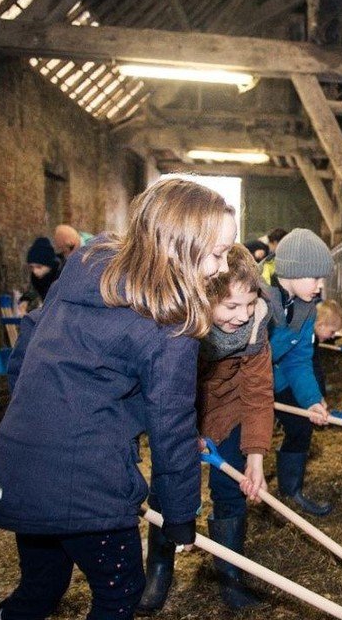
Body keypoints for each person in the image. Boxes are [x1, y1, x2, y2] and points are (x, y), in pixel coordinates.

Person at [0, 178, 238, 620]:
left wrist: (40, 414)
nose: (220, 268)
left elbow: (27, 344)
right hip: (85, 484)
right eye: (216, 254)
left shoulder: (88, 264)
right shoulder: (170, 324)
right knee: (121, 592)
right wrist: (179, 515)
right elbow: (171, 425)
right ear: (181, 247)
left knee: (42, 585)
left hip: (19, 462)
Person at [138, 245, 273, 614]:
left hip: (228, 413)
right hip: (180, 415)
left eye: (249, 303)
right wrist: (185, 430)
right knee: (168, 487)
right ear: (205, 297)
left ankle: (231, 577)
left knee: (230, 490)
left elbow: (258, 392)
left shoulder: (255, 329)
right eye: (231, 307)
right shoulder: (179, 326)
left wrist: (256, 457)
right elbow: (165, 389)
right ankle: (159, 572)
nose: (243, 315)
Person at [262, 228, 334, 516]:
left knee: (301, 424)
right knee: (241, 438)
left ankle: (290, 492)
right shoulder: (256, 297)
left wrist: (312, 400)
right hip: (240, 383)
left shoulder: (307, 308)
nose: (319, 286)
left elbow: (298, 358)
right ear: (292, 270)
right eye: (315, 277)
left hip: (276, 376)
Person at [17, 236, 61, 315]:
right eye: (31, 267)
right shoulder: (36, 278)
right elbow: (33, 290)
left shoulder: (61, 275)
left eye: (39, 267)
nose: (35, 271)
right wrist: (25, 300)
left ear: (50, 265)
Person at [313, 299, 342, 396]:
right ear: (321, 325)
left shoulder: (313, 337)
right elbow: (314, 368)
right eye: (332, 332)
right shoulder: (306, 341)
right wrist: (320, 394)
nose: (333, 336)